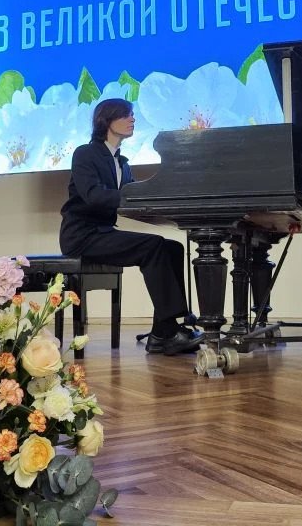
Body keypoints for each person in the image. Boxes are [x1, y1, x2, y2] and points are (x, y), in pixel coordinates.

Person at [60, 98, 201, 355]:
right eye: (126, 115)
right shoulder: (85, 153)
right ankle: (167, 333)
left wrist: (165, 202)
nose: (132, 119)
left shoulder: (123, 163)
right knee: (153, 245)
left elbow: (134, 198)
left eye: (132, 115)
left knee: (173, 248)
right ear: (107, 120)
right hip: (82, 234)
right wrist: (132, 196)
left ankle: (163, 330)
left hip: (103, 233)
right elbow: (93, 195)